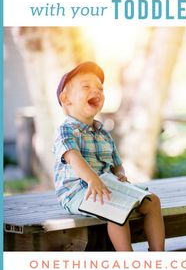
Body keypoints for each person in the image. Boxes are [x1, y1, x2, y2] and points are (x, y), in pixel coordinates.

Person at [53, 61, 165, 251]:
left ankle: (158, 256)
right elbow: (74, 158)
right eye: (87, 86)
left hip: (106, 186)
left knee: (152, 201)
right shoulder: (66, 130)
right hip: (77, 192)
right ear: (66, 99)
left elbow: (116, 163)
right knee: (116, 208)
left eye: (100, 88)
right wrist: (92, 179)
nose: (96, 91)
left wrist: (120, 174)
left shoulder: (102, 131)